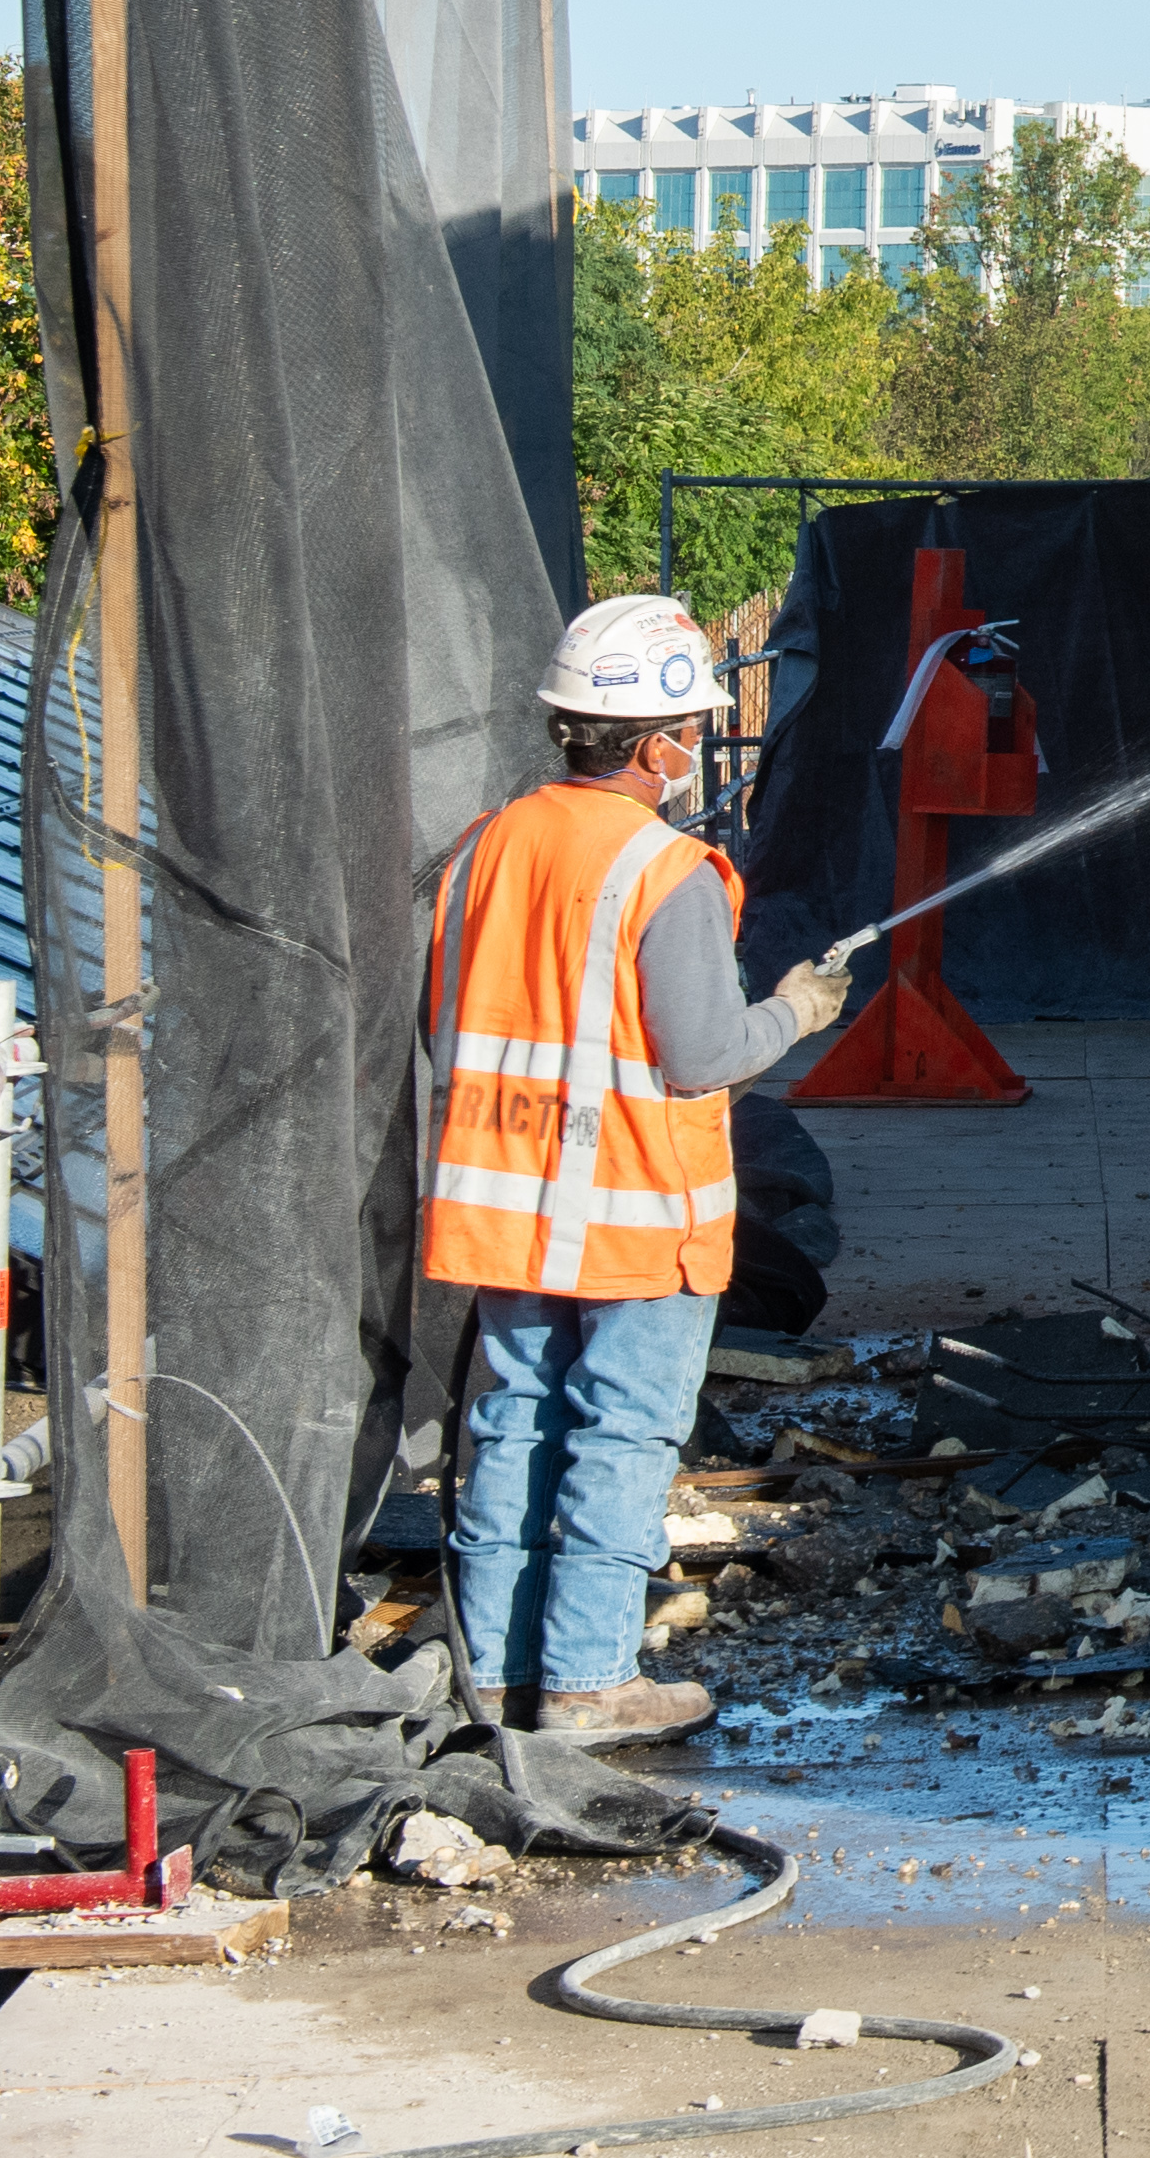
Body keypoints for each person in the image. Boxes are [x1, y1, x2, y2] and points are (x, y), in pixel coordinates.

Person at [415, 593, 853, 1739]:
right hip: (636, 1213)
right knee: (620, 1432)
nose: (696, 748)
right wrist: (793, 1012)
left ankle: (501, 1671)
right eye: (691, 730)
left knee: (512, 1422)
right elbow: (704, 1054)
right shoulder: (669, 870)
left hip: (507, 1206)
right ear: (657, 743)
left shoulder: (484, 846)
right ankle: (589, 1679)